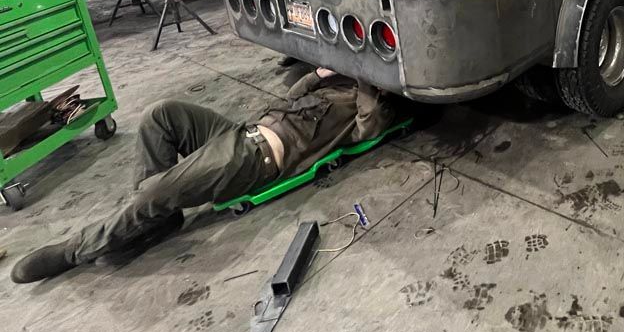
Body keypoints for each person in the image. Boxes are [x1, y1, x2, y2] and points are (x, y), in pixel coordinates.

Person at [11, 67, 393, 283]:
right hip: (240, 132)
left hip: (255, 159)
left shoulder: (368, 101)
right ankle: (156, 215)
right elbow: (292, 95)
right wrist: (320, 73)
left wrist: (365, 77)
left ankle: (77, 249)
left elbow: (370, 124)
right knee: (161, 114)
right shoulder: (337, 81)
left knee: (154, 192)